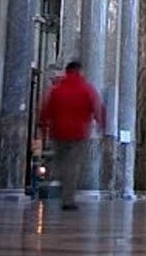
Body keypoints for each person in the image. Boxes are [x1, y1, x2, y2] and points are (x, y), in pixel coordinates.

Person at [38, 60, 106, 210]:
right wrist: (101, 125)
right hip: (78, 133)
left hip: (58, 132)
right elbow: (97, 107)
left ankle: (64, 191)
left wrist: (43, 128)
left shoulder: (57, 89)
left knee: (62, 164)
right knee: (73, 166)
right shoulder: (86, 89)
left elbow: (46, 110)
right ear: (79, 71)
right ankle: (68, 199)